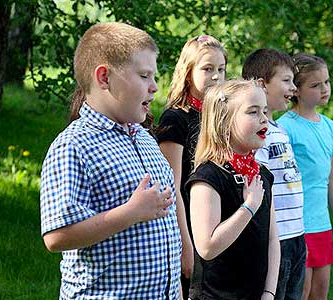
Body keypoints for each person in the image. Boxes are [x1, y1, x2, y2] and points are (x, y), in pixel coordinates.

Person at [40, 22, 181, 299]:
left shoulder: (143, 137)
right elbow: (57, 236)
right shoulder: (74, 145)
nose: (154, 87)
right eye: (144, 76)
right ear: (104, 78)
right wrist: (131, 213)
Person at [185, 79, 280, 300]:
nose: (264, 118)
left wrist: (269, 292)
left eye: (264, 111)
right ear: (224, 121)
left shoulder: (261, 175)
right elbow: (207, 247)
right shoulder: (208, 177)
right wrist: (248, 207)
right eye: (253, 112)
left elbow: (273, 239)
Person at [156, 34, 227, 299]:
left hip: (218, 225)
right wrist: (185, 244)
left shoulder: (219, 116)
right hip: (189, 230)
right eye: (207, 69)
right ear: (188, 73)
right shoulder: (176, 119)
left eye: (221, 69)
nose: (217, 76)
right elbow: (171, 185)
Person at [277, 53, 333, 300]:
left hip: (322, 223)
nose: (324, 89)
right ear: (296, 90)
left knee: (320, 292)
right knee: (300, 291)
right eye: (315, 85)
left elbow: (332, 178)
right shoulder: (285, 127)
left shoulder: (330, 127)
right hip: (296, 225)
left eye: (326, 82)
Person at [242, 48, 306, 300]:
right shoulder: (259, 134)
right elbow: (256, 185)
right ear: (262, 85)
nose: (294, 88)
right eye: (287, 80)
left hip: (296, 234)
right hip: (275, 238)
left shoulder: (279, 129)